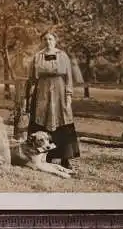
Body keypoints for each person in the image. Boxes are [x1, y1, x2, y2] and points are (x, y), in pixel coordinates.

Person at [25, 29, 81, 169]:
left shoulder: (63, 56)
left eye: (50, 39)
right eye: (45, 39)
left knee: (62, 122)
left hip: (60, 94)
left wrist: (68, 96)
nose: (48, 42)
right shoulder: (38, 56)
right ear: (42, 41)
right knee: (42, 122)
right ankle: (44, 156)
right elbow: (31, 78)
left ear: (55, 41)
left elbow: (68, 78)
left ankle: (65, 158)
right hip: (42, 93)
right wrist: (29, 95)